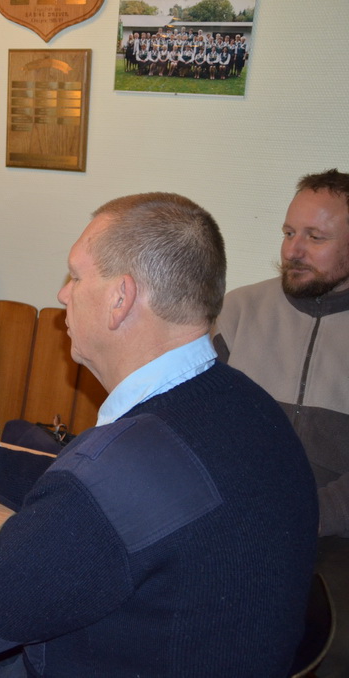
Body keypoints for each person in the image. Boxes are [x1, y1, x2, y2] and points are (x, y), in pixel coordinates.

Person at [0, 192, 318, 677]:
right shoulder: (247, 404)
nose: (63, 294)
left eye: (75, 276)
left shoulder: (121, 470)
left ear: (120, 298)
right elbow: (88, 496)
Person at [212, 168, 349, 678]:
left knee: (331, 646)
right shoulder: (239, 310)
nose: (294, 250)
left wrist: (311, 517)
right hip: (234, 523)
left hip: (335, 539)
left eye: (316, 237)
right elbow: (191, 422)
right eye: (290, 232)